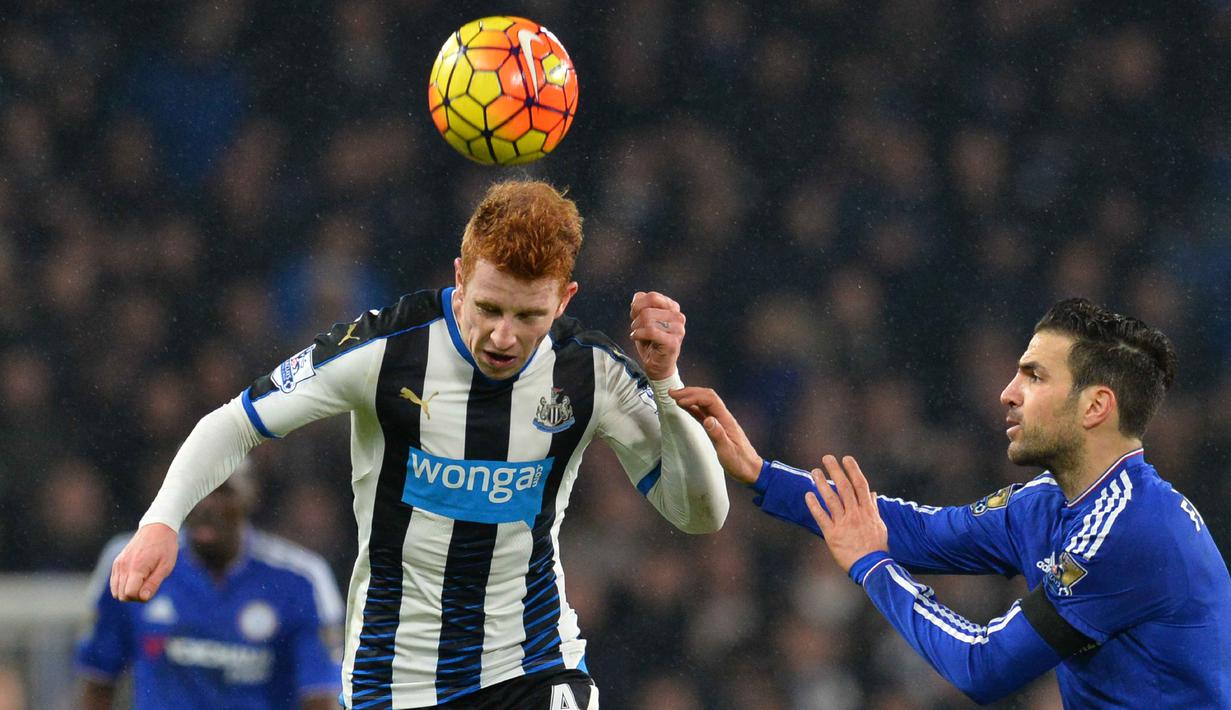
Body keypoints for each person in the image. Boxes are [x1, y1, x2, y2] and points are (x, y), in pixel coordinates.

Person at [108, 180, 729, 709]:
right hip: (394, 676)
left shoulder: (590, 372)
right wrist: (161, 520)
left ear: (564, 298)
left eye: (528, 316)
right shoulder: (385, 348)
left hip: (532, 662)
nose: (504, 336)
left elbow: (702, 514)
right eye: (487, 307)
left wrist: (667, 383)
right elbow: (236, 421)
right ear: (460, 279)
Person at [670, 298, 1231, 705]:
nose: (1007, 393)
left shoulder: (1131, 531)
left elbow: (984, 666)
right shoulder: (1048, 503)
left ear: (1094, 407)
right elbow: (914, 530)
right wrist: (761, 473)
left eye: (1033, 377)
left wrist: (873, 567)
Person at [76, 464, 344, 709]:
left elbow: (320, 697)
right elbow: (97, 682)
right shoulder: (134, 561)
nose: (206, 504)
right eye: (196, 488)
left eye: (222, 491)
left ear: (250, 495)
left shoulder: (300, 580)